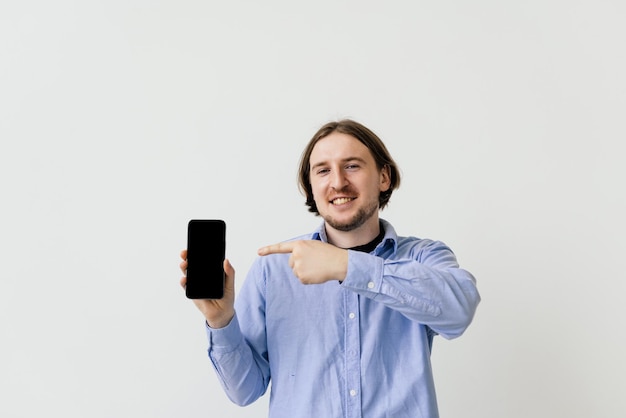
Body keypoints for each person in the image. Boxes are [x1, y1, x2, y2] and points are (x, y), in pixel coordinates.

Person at [179, 119, 481, 418]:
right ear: (311, 188)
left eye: (352, 166)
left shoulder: (423, 257)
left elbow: (458, 312)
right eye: (323, 170)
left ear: (384, 177)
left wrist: (345, 265)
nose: (337, 182)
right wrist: (221, 322)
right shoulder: (273, 270)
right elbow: (244, 391)